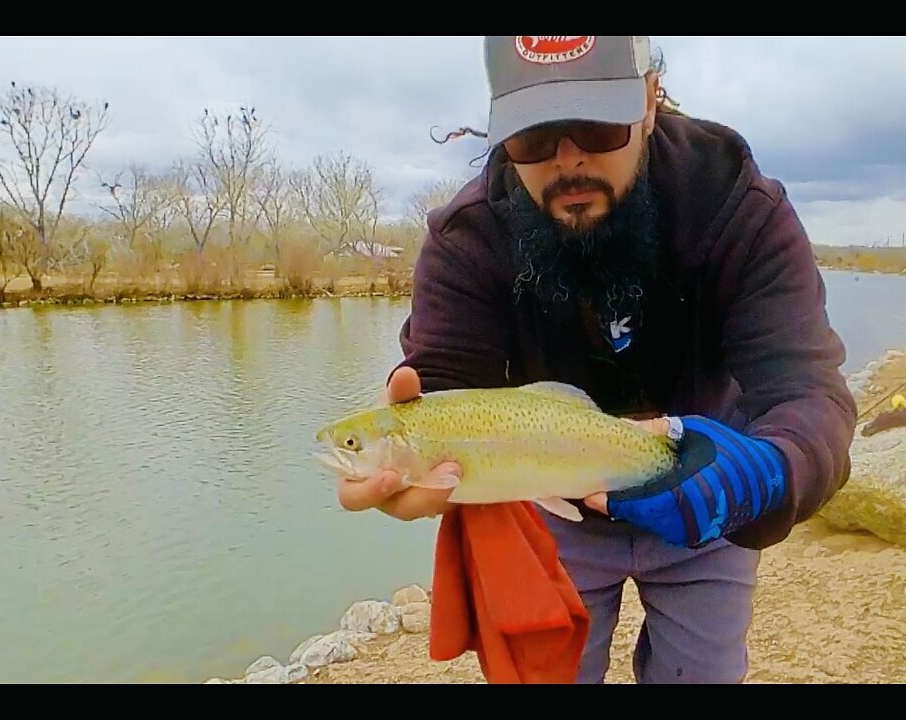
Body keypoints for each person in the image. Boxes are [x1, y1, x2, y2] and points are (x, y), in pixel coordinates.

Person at [334, 36, 857, 684]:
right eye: (533, 137)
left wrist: (763, 472)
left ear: (647, 99)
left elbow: (811, 395)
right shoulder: (465, 237)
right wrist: (418, 463)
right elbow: (442, 384)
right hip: (551, 509)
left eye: (596, 124)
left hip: (706, 487)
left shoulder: (736, 203)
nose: (568, 160)